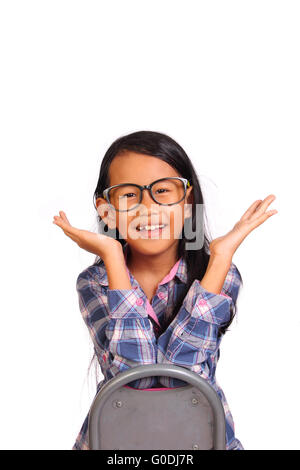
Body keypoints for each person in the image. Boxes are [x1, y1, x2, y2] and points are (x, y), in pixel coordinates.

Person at [53, 130, 277, 450]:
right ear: (107, 211)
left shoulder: (220, 276)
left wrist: (220, 258)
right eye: (129, 194)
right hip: (117, 444)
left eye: (162, 191)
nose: (148, 208)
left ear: (187, 203)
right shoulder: (96, 283)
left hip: (203, 440)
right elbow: (136, 376)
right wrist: (114, 259)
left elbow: (182, 376)